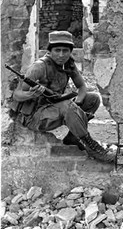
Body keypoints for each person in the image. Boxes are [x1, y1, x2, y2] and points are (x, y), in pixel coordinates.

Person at [12, 31, 115, 163]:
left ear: (70, 51)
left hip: (55, 107)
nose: (61, 55)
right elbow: (17, 95)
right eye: (57, 50)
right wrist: (31, 94)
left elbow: (82, 87)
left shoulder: (68, 64)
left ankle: (73, 138)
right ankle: (91, 146)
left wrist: (77, 104)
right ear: (50, 50)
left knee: (93, 99)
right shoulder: (39, 67)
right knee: (67, 106)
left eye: (65, 51)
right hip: (36, 116)